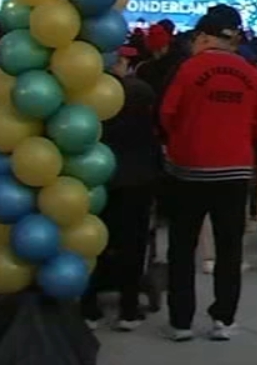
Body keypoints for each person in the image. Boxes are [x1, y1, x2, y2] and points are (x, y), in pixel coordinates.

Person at [158, 4, 257, 341]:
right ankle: (223, 319)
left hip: (189, 169)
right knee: (230, 248)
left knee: (182, 247)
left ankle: (181, 321)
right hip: (235, 170)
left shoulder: (188, 70)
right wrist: (241, 139)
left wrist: (185, 138)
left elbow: (166, 114)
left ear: (202, 36)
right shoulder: (250, 73)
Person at [81, 56, 159, 331]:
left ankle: (89, 306)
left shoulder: (87, 95)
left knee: (92, 242)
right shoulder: (141, 91)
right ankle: (128, 308)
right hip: (137, 178)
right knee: (133, 245)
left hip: (97, 176)